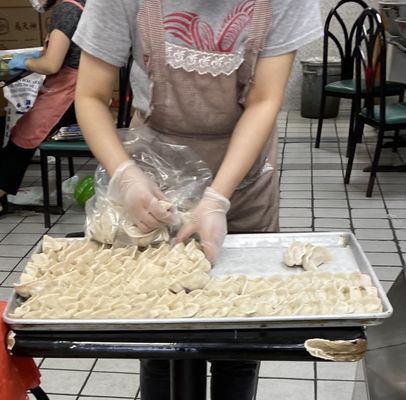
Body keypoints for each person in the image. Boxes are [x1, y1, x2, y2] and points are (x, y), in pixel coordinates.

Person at [73, 0, 322, 398]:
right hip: (155, 177)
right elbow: (90, 95)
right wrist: (126, 176)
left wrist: (216, 199)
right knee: (159, 335)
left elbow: (263, 101)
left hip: (242, 177)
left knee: (240, 331)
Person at [0, 0, 86, 216]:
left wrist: (25, 62)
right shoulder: (85, 4)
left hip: (69, 96)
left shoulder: (67, 9)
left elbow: (51, 65)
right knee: (21, 133)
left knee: (22, 137)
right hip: (85, 91)